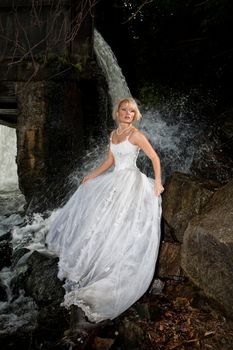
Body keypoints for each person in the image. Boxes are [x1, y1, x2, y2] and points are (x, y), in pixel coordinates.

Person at [46, 97, 164, 326]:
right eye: (124, 110)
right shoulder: (113, 135)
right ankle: (99, 259)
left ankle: (119, 263)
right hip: (115, 179)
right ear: (117, 112)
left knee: (124, 221)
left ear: (135, 115)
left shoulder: (136, 135)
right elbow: (110, 160)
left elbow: (154, 157)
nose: (128, 113)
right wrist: (92, 175)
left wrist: (158, 182)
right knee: (103, 221)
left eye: (132, 111)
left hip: (131, 181)